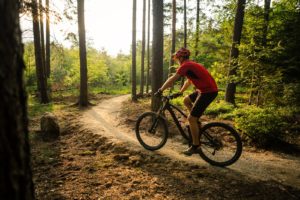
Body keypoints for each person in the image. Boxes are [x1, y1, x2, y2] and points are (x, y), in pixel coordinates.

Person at [155, 47, 218, 156]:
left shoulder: (186, 65)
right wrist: (180, 92)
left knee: (191, 119)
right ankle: (196, 122)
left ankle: (195, 146)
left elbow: (172, 79)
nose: (177, 60)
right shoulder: (191, 65)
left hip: (208, 92)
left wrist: (160, 90)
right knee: (186, 100)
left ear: (182, 57)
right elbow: (189, 81)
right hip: (205, 90)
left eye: (178, 58)